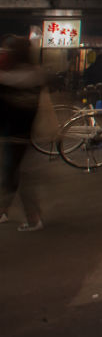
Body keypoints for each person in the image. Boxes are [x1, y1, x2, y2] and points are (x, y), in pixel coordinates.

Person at [1, 35, 47, 231]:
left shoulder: (7, 79)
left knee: (16, 176)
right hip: (27, 133)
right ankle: (5, 211)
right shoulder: (35, 75)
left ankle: (33, 218)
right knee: (15, 174)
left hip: (12, 134)